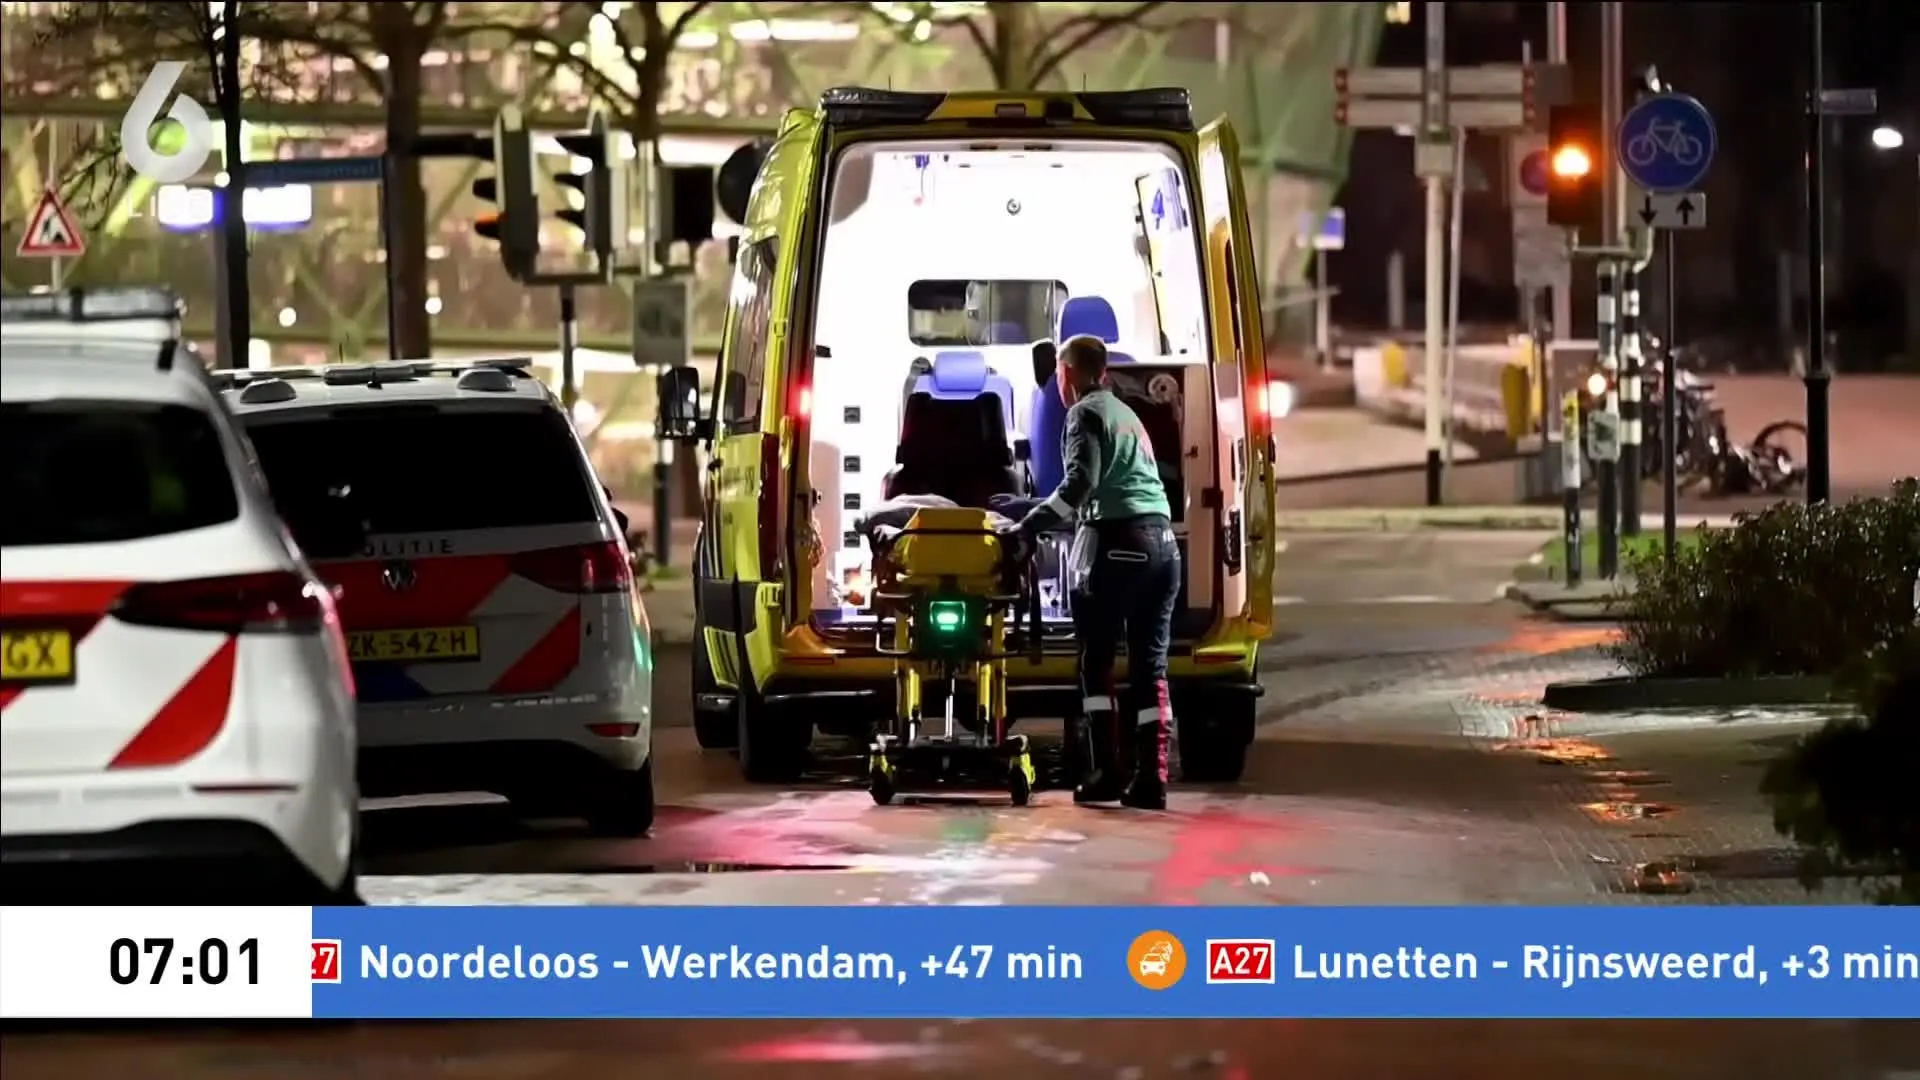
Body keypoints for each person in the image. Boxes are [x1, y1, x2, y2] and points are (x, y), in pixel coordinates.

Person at [1000, 334, 1178, 809]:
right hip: (1163, 548)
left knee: (1095, 663)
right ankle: (1152, 780)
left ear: (1067, 373)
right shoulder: (1126, 413)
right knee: (1150, 668)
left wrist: (1028, 526)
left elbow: (1080, 484)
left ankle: (1106, 773)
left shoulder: (1083, 413)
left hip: (1116, 543)